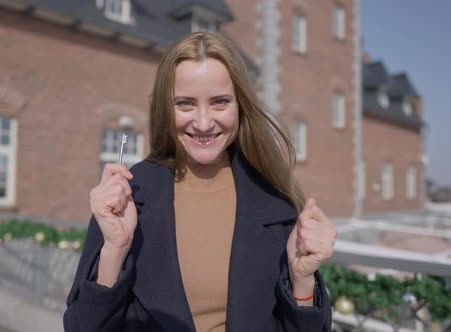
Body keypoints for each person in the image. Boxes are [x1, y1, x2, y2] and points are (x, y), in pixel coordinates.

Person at [64, 32, 336, 332]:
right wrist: (115, 250)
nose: (204, 123)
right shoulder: (128, 194)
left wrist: (302, 280)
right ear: (167, 109)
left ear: (240, 106)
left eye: (219, 102)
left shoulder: (274, 200)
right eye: (185, 104)